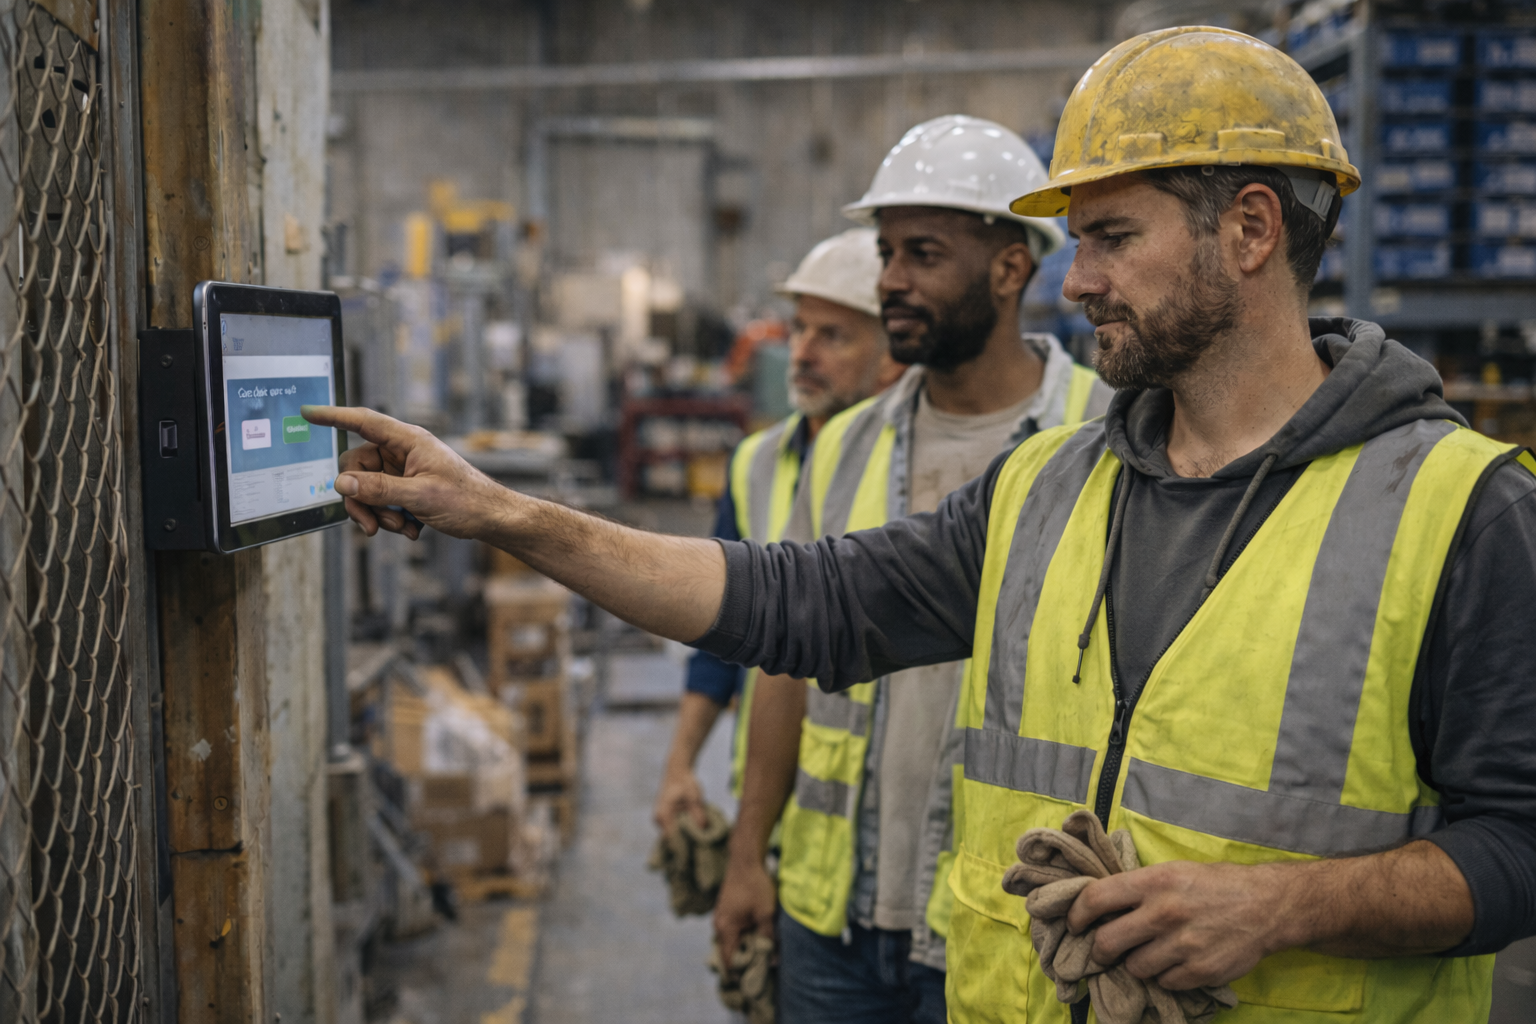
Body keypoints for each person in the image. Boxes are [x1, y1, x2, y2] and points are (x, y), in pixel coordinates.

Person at [305, 26, 1536, 1024]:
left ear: (1253, 231)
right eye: (1074, 243)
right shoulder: (1047, 487)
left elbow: (1518, 845)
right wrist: (503, 514)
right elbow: (796, 600)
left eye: (1111, 237)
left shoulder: (1458, 510)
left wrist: (1281, 908)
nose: (1078, 280)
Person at [712, 115, 1111, 1024]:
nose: (889, 278)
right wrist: (746, 858)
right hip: (834, 921)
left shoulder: (1106, 440)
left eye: (921, 253)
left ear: (1011, 268)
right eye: (887, 251)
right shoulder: (845, 445)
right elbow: (784, 663)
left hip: (1003, 925)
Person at [653, 228, 902, 835]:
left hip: (880, 822)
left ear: (893, 355)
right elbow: (720, 631)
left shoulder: (916, 474)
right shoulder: (755, 463)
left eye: (833, 335)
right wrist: (680, 761)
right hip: (773, 821)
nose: (802, 352)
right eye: (800, 330)